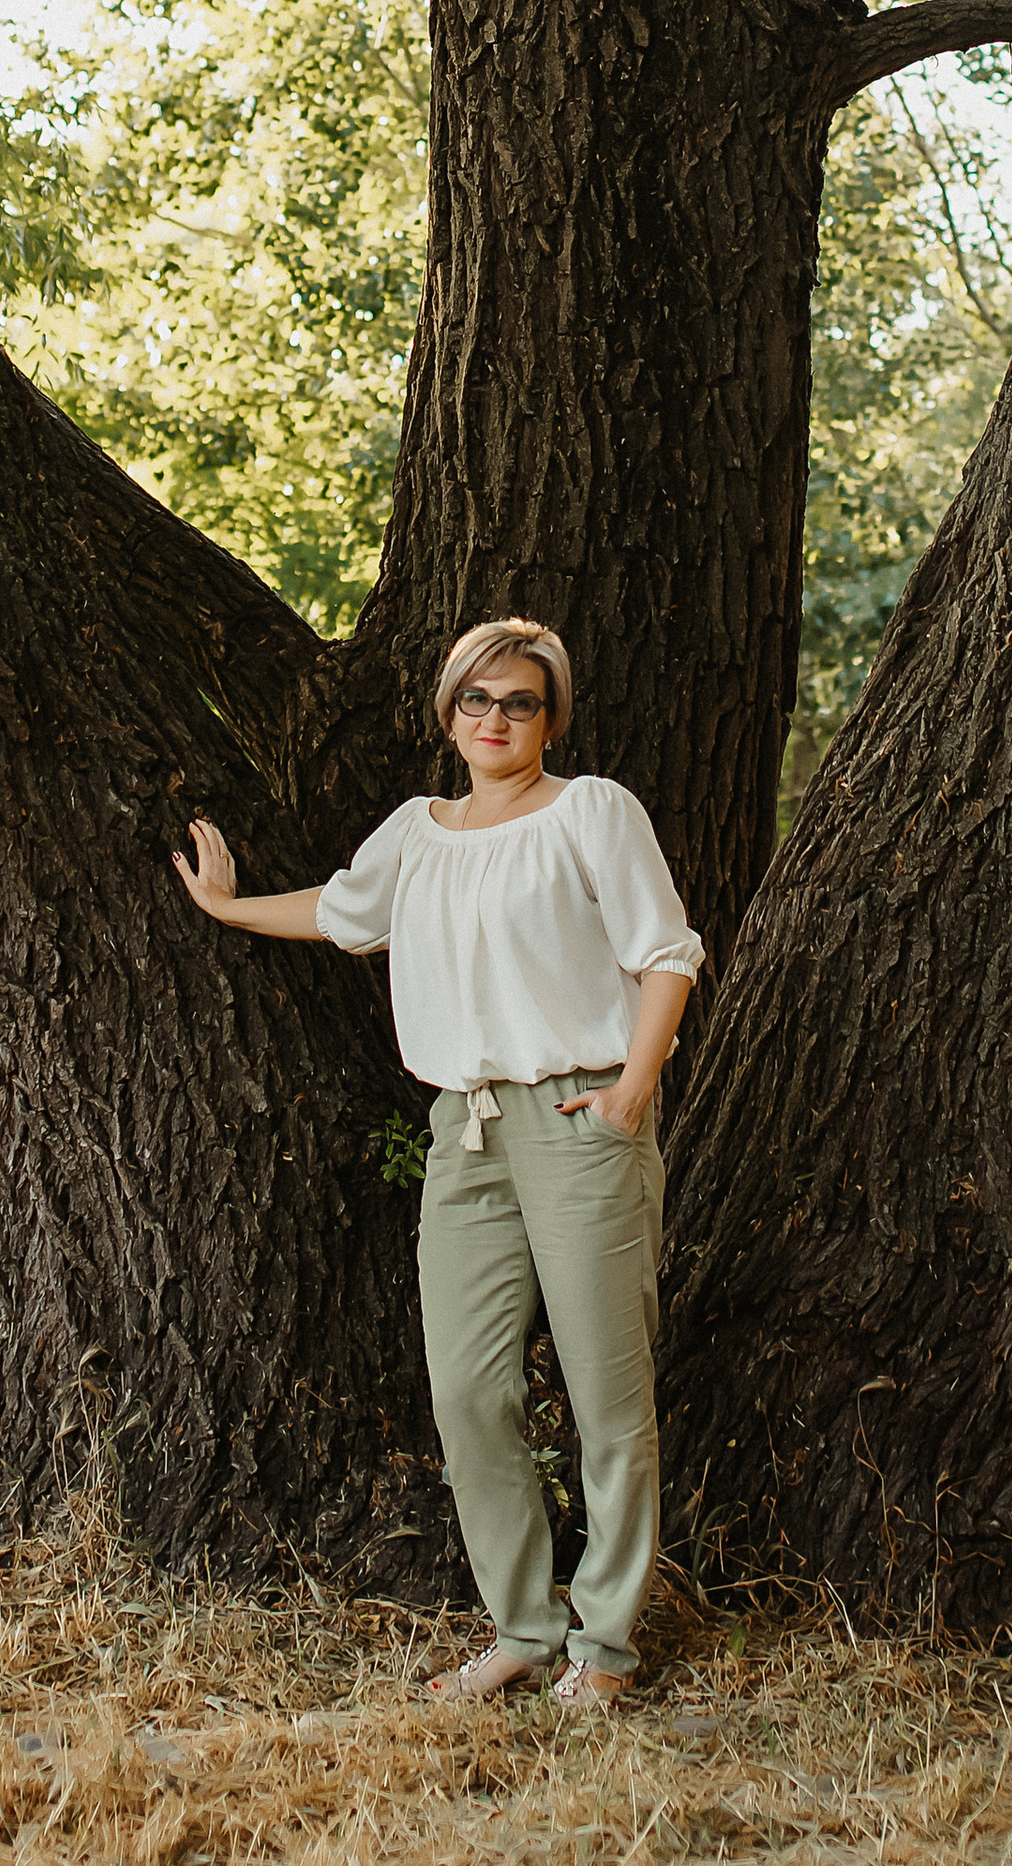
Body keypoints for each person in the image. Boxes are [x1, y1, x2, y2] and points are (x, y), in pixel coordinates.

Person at [172, 617, 702, 1702]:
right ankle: (522, 1628)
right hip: (465, 1135)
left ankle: (604, 1645)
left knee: (607, 1397)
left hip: (580, 1118)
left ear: (549, 717)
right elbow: (342, 909)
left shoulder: (591, 812)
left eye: (518, 702)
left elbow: (666, 955)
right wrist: (226, 906)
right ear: (448, 713)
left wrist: (632, 1091)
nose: (495, 720)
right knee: (466, 1390)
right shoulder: (416, 831)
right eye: (476, 700)